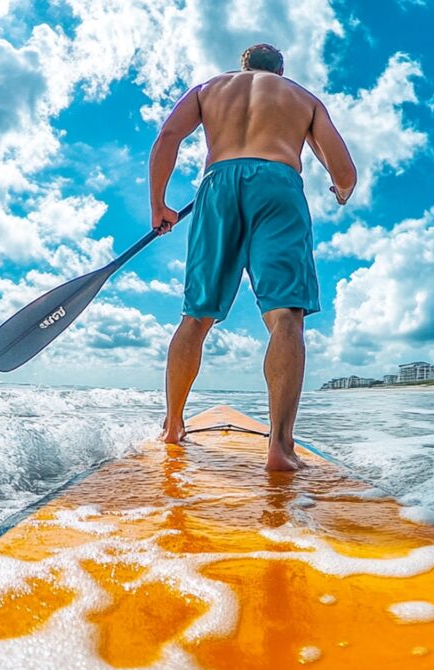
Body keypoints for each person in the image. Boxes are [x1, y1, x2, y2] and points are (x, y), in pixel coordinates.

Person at [149, 43, 356, 471]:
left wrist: (159, 205)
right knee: (285, 317)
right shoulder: (302, 98)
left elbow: (168, 136)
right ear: (280, 70)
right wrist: (340, 190)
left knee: (196, 315)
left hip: (218, 184)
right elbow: (345, 173)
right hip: (279, 184)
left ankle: (173, 425)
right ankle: (280, 446)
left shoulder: (208, 89)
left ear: (242, 66)